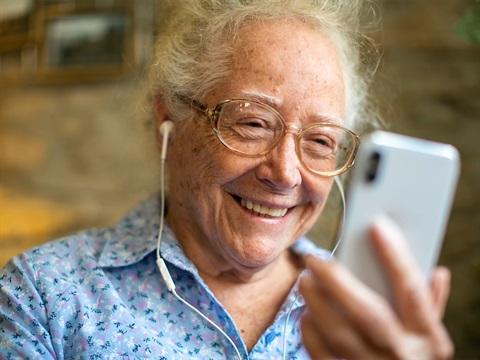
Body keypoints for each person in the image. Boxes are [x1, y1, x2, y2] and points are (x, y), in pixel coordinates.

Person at [0, 0, 454, 359]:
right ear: (168, 118)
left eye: (319, 141)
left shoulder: (365, 315)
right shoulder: (43, 296)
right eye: (253, 123)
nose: (285, 173)